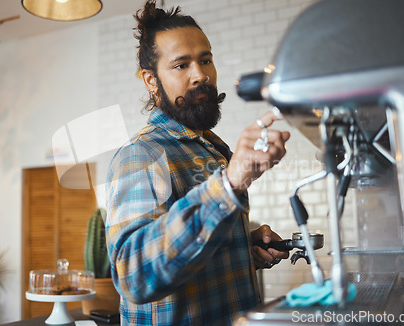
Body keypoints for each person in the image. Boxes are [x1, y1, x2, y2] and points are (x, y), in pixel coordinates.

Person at [105, 1, 291, 324]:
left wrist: (243, 248)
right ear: (151, 80)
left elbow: (186, 253)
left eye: (206, 60)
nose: (201, 75)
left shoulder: (215, 149)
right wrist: (229, 184)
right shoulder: (141, 155)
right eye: (181, 65)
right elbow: (134, 275)